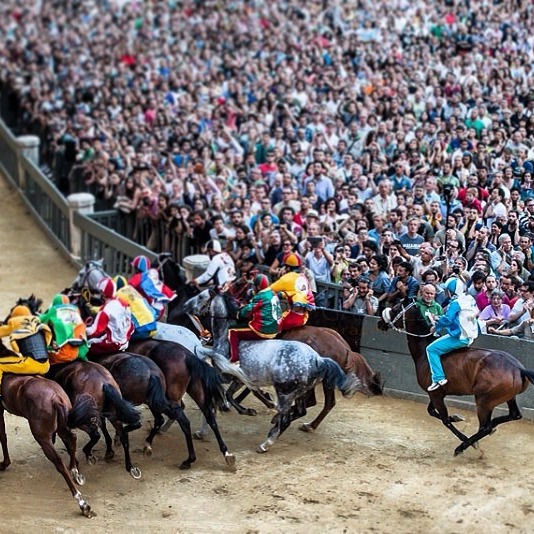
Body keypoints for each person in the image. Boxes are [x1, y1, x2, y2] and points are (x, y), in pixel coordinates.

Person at [426, 277, 479, 392]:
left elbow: (448, 320)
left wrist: (436, 327)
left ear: (451, 291)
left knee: (431, 349)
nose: (445, 292)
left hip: (461, 337)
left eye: (447, 290)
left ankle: (438, 378)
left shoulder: (455, 303)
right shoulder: (469, 298)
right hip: (470, 334)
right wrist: (440, 319)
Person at [227, 274, 282, 362]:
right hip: (276, 327)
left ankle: (234, 360)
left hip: (264, 329)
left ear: (258, 287)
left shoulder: (261, 296)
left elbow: (246, 312)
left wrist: (239, 311)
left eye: (254, 286)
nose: (253, 288)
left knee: (232, 330)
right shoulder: (272, 293)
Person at [0, 305, 52, 397]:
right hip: (46, 365)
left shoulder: (15, 322)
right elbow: (47, 340)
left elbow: (3, 334)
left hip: (30, 364)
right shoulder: (38, 323)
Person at [86, 278, 134, 355]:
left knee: (84, 346)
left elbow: (94, 331)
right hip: (125, 341)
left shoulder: (105, 310)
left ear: (103, 293)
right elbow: (130, 325)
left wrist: (80, 328)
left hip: (112, 345)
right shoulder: (124, 303)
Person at [270, 253, 315, 331]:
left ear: (287, 268)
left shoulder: (287, 278)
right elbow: (294, 292)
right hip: (304, 318)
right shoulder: (303, 277)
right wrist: (282, 294)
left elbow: (269, 290)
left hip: (292, 319)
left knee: (271, 326)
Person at [39, 294, 89, 364]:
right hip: (82, 351)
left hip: (66, 354)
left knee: (41, 355)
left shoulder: (55, 309)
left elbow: (41, 320)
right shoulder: (76, 309)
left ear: (54, 303)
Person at [128, 255, 176, 320]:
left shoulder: (138, 277)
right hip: (160, 311)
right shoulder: (152, 277)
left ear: (137, 269)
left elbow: (127, 288)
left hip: (150, 312)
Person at [114, 276, 158, 340]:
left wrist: (93, 309)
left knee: (117, 340)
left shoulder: (117, 295)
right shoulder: (132, 290)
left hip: (141, 331)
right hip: (154, 327)